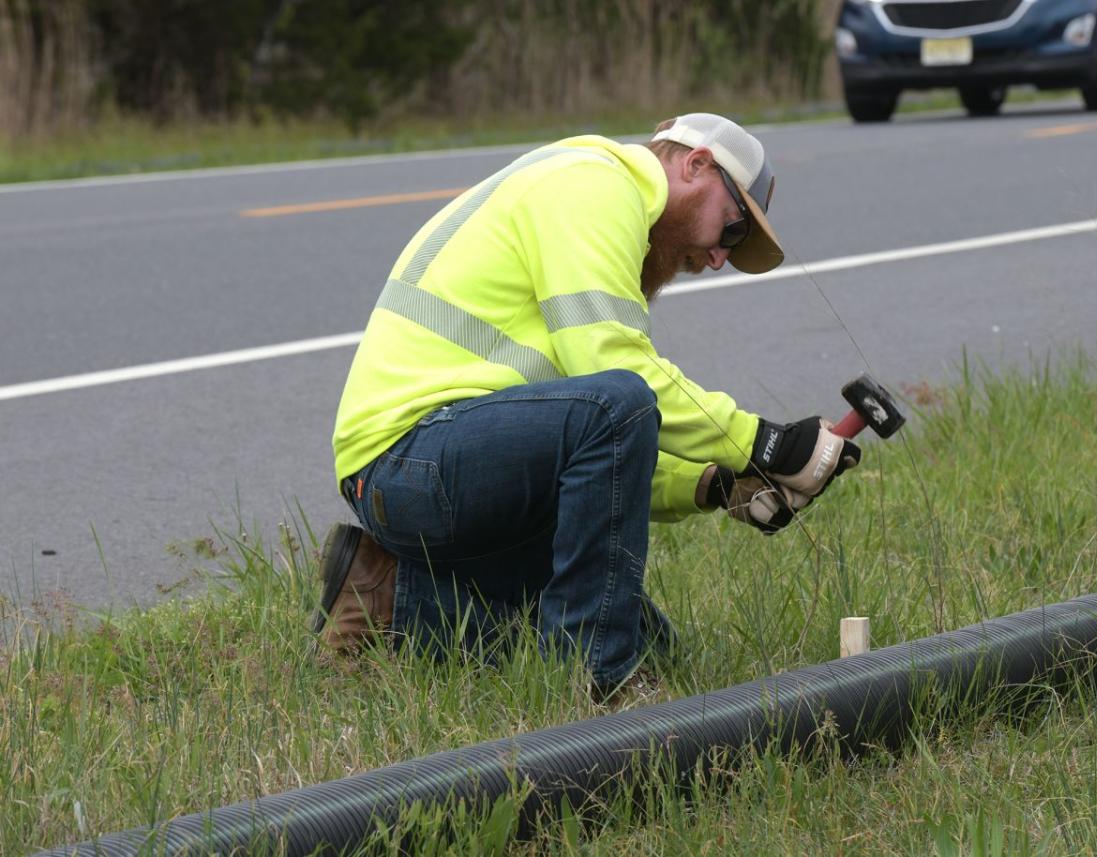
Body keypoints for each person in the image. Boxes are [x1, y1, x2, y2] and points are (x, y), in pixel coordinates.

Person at [314, 113, 861, 694]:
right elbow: (616, 383)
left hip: (444, 462)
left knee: (657, 646)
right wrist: (766, 443)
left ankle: (389, 596)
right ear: (696, 164)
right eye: (731, 230)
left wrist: (718, 482)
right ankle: (595, 678)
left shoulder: (596, 206)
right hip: (407, 462)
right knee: (619, 402)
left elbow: (603, 457)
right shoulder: (594, 184)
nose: (720, 259)